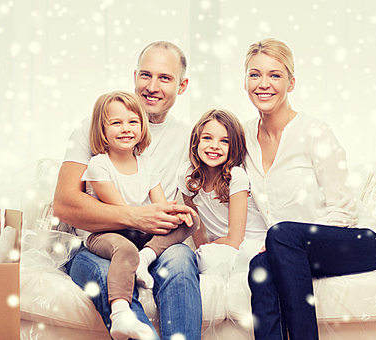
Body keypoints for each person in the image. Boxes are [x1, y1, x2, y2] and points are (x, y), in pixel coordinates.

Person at [242, 38, 376, 340]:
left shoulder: (315, 132)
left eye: (275, 75)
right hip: (291, 245)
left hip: (358, 240)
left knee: (281, 234)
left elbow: (344, 210)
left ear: (291, 82)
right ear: (245, 81)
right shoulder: (244, 136)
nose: (264, 83)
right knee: (260, 267)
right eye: (255, 74)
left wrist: (287, 243)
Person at [53, 41, 202, 340]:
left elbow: (195, 198)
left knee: (181, 262)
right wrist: (136, 217)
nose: (152, 86)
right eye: (146, 75)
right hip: (94, 244)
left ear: (182, 85)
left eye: (165, 78)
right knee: (109, 269)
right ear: (134, 76)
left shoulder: (188, 137)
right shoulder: (93, 128)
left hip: (151, 244)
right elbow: (64, 204)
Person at [79, 90, 198, 339]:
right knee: (125, 249)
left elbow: (160, 204)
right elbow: (123, 212)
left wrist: (176, 214)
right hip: (107, 233)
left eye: (133, 122)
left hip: (138, 231)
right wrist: (152, 219)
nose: (126, 129)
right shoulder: (99, 164)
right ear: (102, 131)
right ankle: (121, 313)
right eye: (116, 123)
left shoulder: (148, 163)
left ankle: (147, 256)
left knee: (191, 220)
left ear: (143, 128)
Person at [177, 109, 267, 275]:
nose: (214, 146)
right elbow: (196, 226)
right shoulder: (187, 175)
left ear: (234, 146)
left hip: (250, 243)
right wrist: (203, 250)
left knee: (245, 256)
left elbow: (235, 239)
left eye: (224, 141)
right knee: (202, 259)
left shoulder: (236, 176)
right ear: (196, 141)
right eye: (207, 138)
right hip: (221, 246)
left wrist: (207, 249)